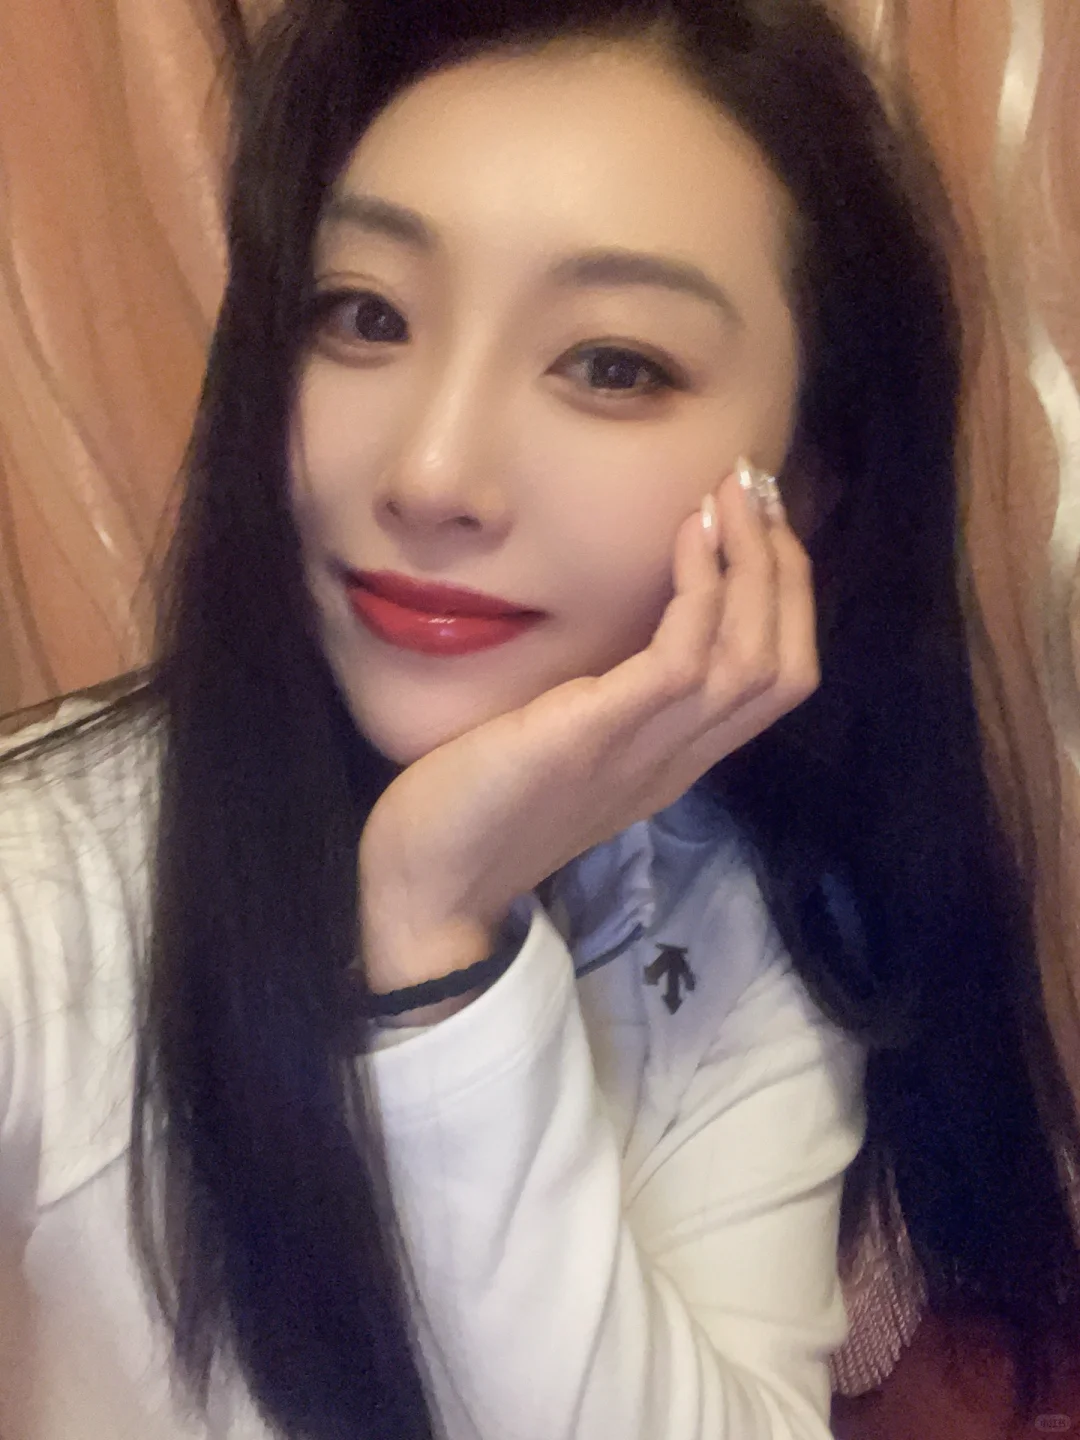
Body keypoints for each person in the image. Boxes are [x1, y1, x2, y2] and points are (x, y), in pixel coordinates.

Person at [1, 0, 1078, 1437]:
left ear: (803, 484)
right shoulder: (38, 894)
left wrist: (437, 936)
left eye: (613, 364)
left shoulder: (733, 907)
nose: (432, 474)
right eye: (366, 315)